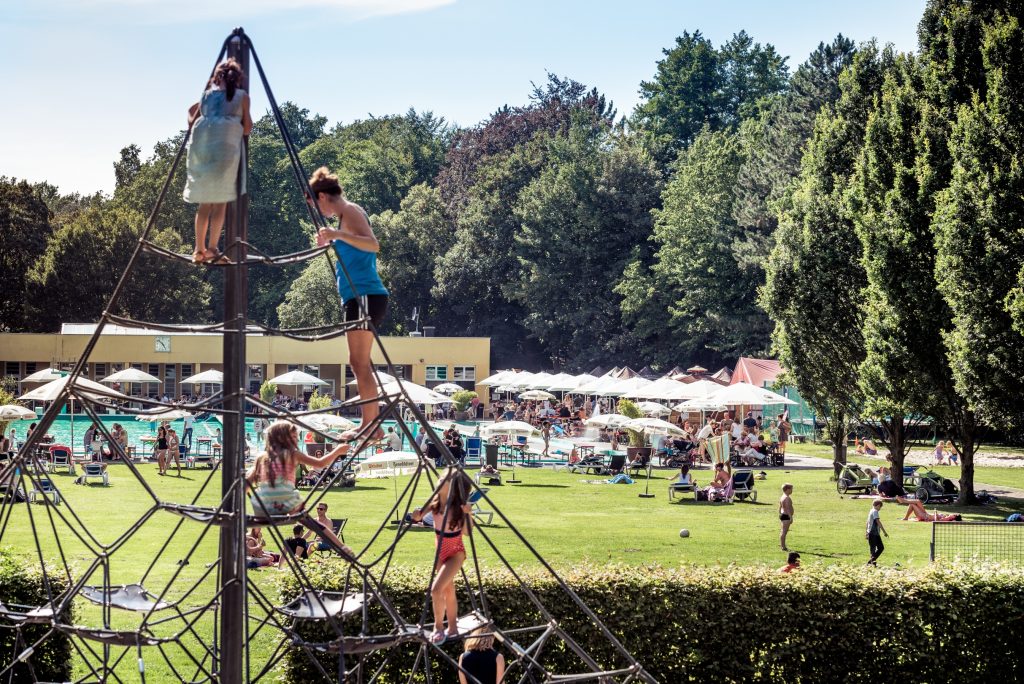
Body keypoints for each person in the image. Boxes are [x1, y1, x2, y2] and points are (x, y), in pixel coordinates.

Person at [309, 166, 388, 446]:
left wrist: (337, 235)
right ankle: (371, 425)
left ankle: (371, 425)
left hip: (365, 294)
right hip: (357, 297)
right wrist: (328, 240)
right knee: (359, 363)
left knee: (359, 363)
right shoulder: (343, 220)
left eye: (316, 205)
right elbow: (351, 250)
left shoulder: (351, 212)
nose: (319, 212)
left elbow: (373, 245)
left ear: (322, 197)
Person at [245, 421, 353, 555]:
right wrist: (338, 451)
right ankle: (341, 547)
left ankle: (247, 541)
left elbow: (248, 482)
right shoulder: (293, 454)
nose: (297, 439)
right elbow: (320, 463)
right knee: (313, 524)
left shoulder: (262, 457)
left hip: (265, 505)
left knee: (256, 514)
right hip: (288, 502)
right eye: (294, 437)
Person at [183, 58, 253, 263]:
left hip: (204, 152)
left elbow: (192, 116)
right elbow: (247, 128)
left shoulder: (206, 96)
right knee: (220, 203)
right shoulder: (241, 97)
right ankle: (212, 249)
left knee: (205, 203)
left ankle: (199, 250)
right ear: (237, 79)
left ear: (216, 78)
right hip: (225, 153)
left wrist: (196, 121)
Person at [410, 468, 473, 645]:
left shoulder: (458, 508)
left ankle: (438, 627)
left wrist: (468, 514)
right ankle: (452, 627)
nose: (438, 481)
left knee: (436, 589)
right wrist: (416, 514)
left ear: (453, 487)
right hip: (440, 551)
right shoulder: (435, 502)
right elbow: (418, 517)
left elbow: (467, 532)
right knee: (448, 590)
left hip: (455, 552)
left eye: (443, 479)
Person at [866, 499, 888, 565]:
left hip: (874, 533)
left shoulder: (871, 511)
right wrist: (884, 532)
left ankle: (871, 562)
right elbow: (878, 521)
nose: (880, 509)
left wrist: (866, 532)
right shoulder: (875, 511)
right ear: (878, 505)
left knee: (880, 548)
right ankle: (872, 563)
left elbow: (867, 522)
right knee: (874, 549)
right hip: (873, 533)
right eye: (880, 507)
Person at [779, 484, 794, 551]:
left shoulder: (782, 497)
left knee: (783, 531)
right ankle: (783, 546)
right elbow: (787, 508)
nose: (792, 490)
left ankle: (782, 545)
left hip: (783, 515)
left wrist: (780, 513)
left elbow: (780, 507)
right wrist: (790, 517)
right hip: (786, 516)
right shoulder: (787, 498)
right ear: (787, 489)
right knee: (784, 531)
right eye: (791, 489)